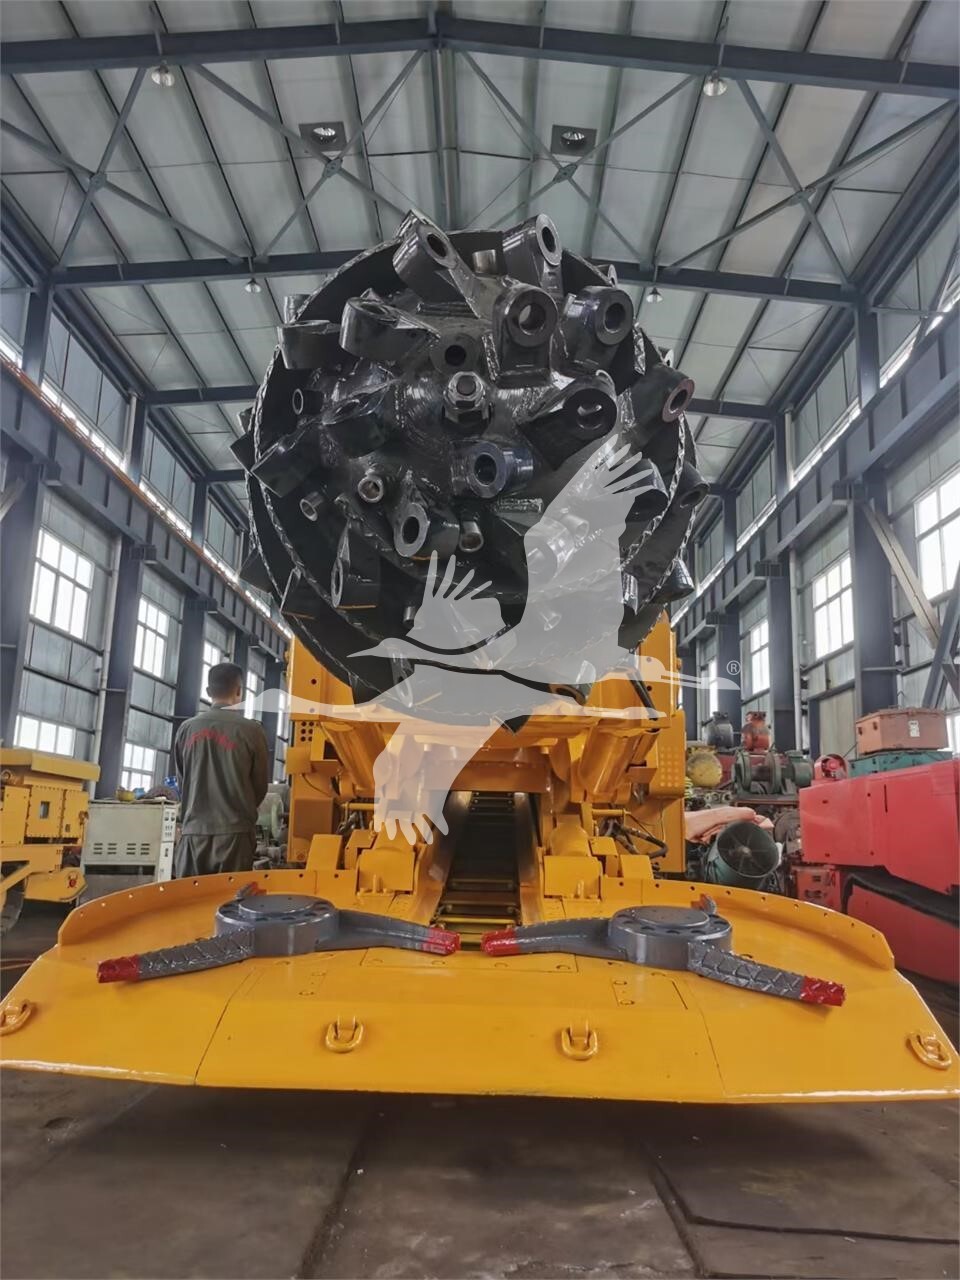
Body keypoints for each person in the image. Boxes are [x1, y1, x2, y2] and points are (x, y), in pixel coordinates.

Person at [173, 662, 269, 877]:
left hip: (193, 833)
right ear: (239, 691)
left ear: (208, 691)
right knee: (230, 896)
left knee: (190, 895)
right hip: (235, 835)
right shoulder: (252, 731)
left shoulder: (186, 729)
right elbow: (260, 786)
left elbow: (183, 780)